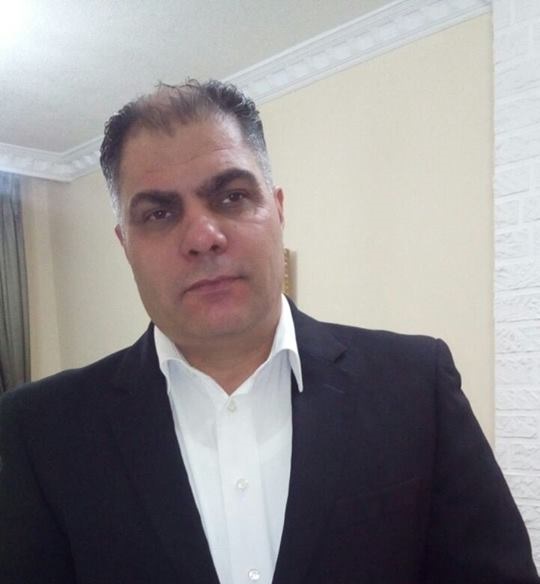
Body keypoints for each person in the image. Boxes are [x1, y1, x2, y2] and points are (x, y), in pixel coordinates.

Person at [0, 79, 538, 584]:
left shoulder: (415, 386)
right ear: (125, 245)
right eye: (160, 213)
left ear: (277, 210)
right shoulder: (40, 431)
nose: (203, 236)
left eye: (231, 196)